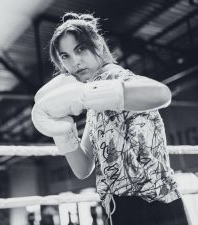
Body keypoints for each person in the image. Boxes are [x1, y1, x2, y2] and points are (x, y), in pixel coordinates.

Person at [31, 12, 190, 225]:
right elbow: (82, 168)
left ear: (97, 44)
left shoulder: (116, 77)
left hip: (157, 204)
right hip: (120, 208)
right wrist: (62, 131)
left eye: (80, 49)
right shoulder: (93, 107)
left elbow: (162, 94)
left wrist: (87, 94)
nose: (75, 62)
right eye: (65, 56)